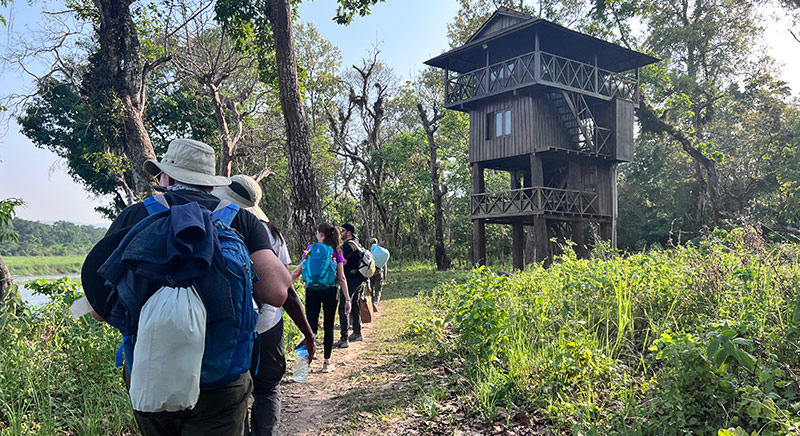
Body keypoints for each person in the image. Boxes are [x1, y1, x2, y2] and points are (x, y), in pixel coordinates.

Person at [84, 138, 292, 436]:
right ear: (210, 183)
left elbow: (98, 311)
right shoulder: (241, 219)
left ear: (166, 177)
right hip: (221, 376)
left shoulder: (135, 216)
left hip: (150, 374)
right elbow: (276, 294)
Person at [212, 174, 315, 436]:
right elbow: (287, 292)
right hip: (267, 327)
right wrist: (308, 333)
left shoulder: (209, 224)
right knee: (267, 388)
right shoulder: (272, 235)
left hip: (227, 330)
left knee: (233, 393)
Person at [291, 222, 350, 373]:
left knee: (309, 328)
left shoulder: (310, 249)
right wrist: (347, 299)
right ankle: (326, 363)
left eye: (317, 233)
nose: (316, 236)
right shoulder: (336, 251)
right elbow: (342, 277)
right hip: (330, 291)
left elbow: (298, 270)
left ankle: (304, 364)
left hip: (311, 291)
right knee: (328, 327)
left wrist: (284, 285)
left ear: (321, 235)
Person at [334, 222, 365, 348]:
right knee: (355, 305)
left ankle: (344, 338)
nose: (341, 233)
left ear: (349, 233)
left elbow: (344, 262)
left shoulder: (348, 246)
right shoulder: (357, 243)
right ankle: (357, 333)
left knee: (344, 306)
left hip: (350, 280)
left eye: (343, 231)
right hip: (359, 278)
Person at [369, 237, 388, 312]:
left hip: (371, 273)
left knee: (371, 288)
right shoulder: (381, 253)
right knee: (378, 289)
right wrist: (385, 274)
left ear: (370, 244)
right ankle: (375, 303)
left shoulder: (369, 252)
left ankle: (371, 302)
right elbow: (385, 264)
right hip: (379, 273)